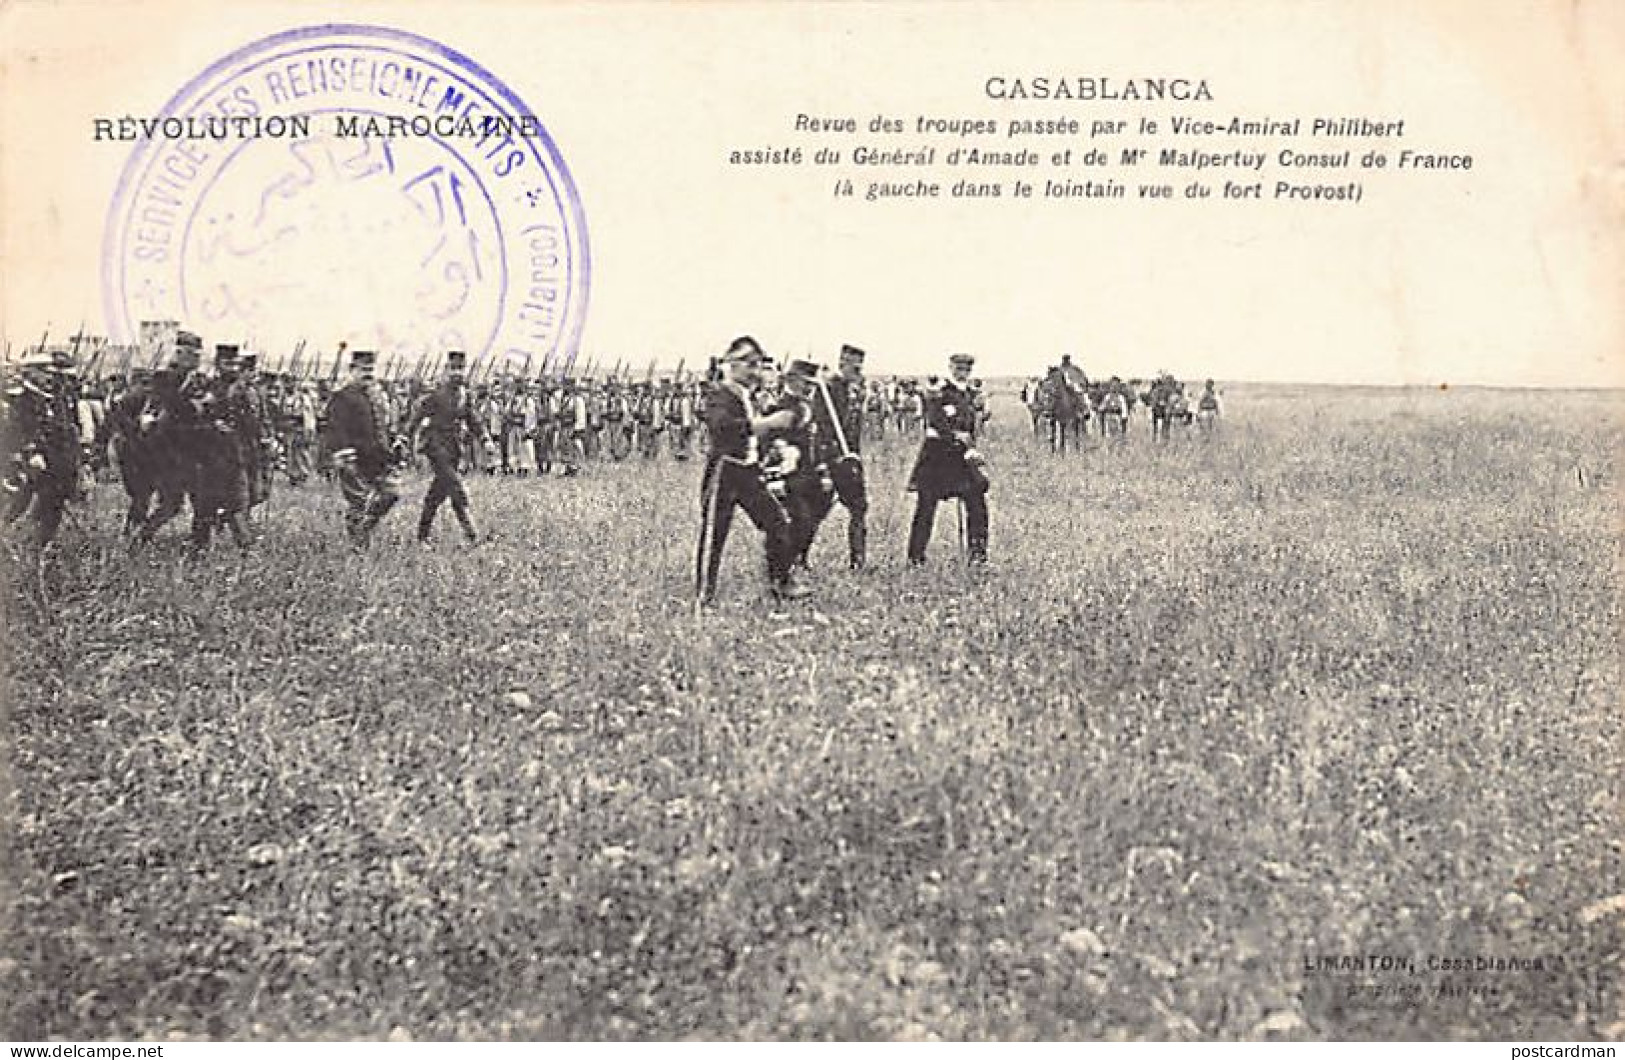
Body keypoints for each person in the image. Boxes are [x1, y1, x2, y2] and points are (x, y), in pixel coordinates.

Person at [695, 336, 807, 605]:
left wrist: (774, 445)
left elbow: (755, 431)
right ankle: (704, 593)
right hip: (723, 472)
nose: (756, 372)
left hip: (748, 473)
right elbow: (723, 427)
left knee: (777, 522)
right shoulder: (718, 393)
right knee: (715, 534)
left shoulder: (748, 396)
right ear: (732, 364)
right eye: (750, 365)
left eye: (758, 365)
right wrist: (766, 424)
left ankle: (781, 582)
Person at [906, 353, 989, 566]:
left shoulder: (971, 395)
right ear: (950, 368)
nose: (962, 373)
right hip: (938, 457)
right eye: (958, 369)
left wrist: (972, 437)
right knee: (926, 506)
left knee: (977, 500)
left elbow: (972, 425)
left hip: (962, 458)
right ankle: (916, 557)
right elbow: (935, 421)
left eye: (966, 370)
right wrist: (955, 436)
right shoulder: (939, 393)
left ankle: (978, 555)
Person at [324, 349, 403, 548]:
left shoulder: (374, 396)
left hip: (377, 458)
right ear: (352, 370)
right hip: (354, 459)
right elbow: (335, 428)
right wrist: (343, 455)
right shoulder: (342, 397)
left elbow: (380, 427)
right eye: (363, 369)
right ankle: (359, 548)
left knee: (391, 493)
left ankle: (363, 529)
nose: (368, 374)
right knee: (359, 501)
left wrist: (391, 447)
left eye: (371, 369)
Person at [803, 343, 869, 570]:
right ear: (843, 362)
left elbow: (854, 429)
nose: (858, 369)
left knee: (859, 507)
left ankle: (858, 562)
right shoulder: (827, 389)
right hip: (830, 458)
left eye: (860, 365)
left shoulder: (855, 390)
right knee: (816, 510)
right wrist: (824, 461)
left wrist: (855, 457)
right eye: (854, 365)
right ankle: (799, 559)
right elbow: (820, 427)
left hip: (850, 459)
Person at [411, 350, 483, 544]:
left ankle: (422, 536)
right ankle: (473, 535)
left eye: (460, 369)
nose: (457, 373)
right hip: (436, 446)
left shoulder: (465, 395)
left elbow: (473, 419)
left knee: (437, 494)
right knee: (456, 487)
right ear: (446, 370)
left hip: (455, 449)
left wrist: (485, 439)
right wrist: (404, 436)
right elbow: (417, 417)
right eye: (453, 369)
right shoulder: (435, 394)